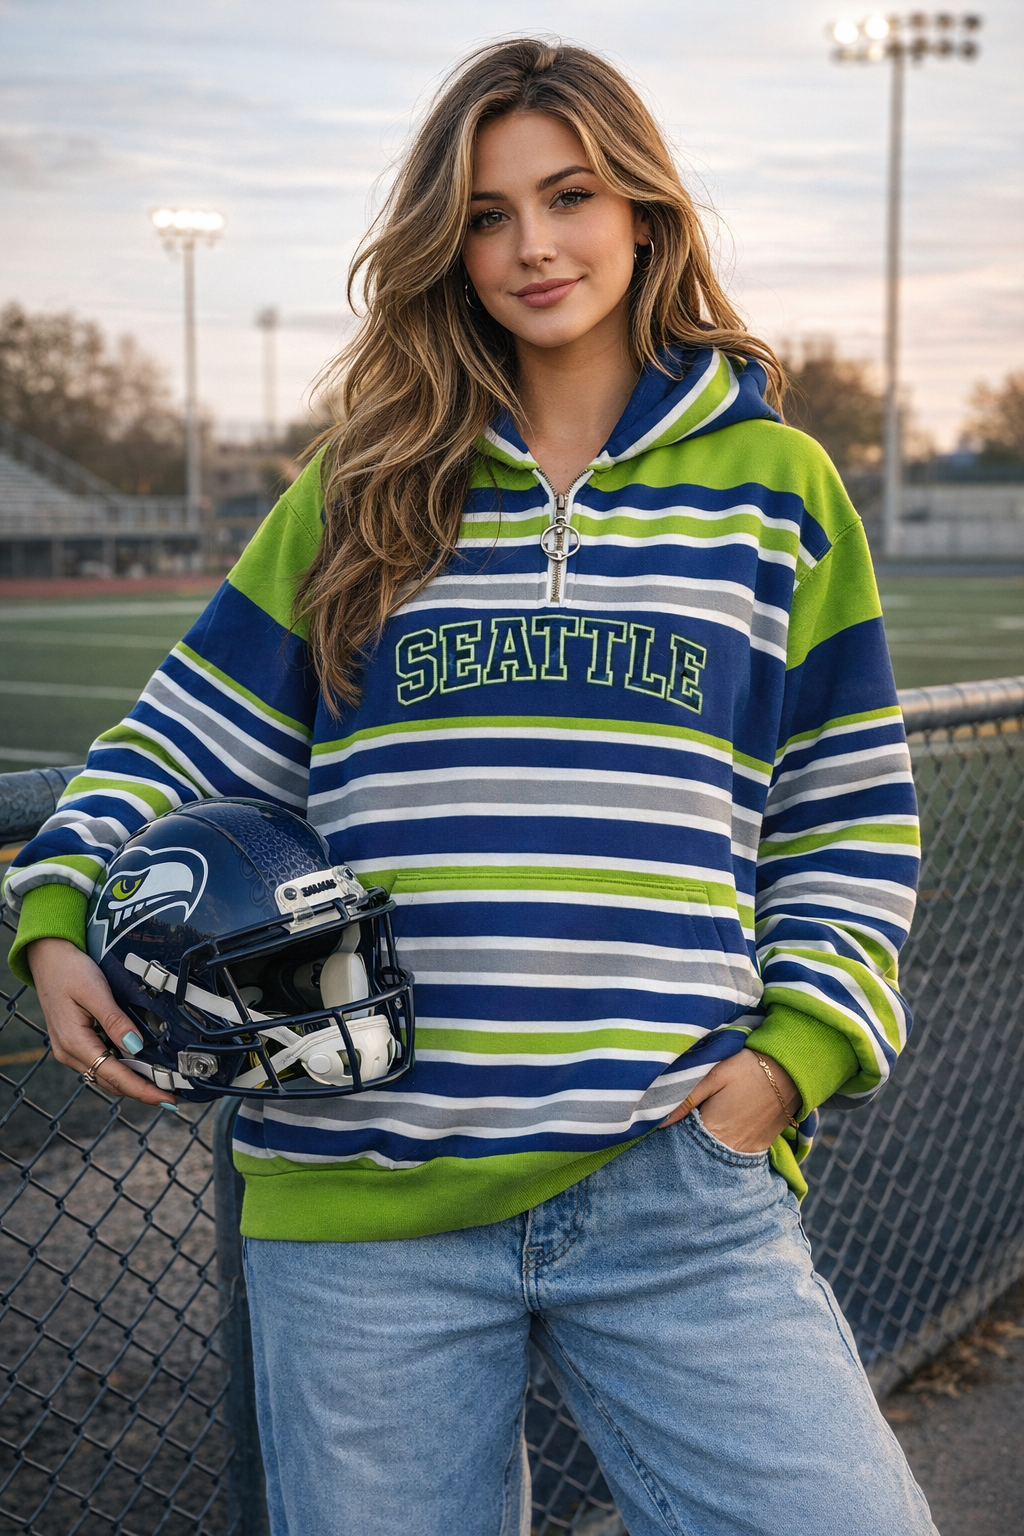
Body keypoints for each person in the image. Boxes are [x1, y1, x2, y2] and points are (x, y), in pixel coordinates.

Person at [4, 38, 935, 1536]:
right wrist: (56, 908)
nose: (532, 247)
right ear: (448, 244)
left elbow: (847, 822)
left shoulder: (777, 488)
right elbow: (180, 740)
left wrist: (783, 1071)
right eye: (488, 216)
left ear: (644, 211)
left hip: (673, 1181)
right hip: (365, 1206)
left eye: (570, 197)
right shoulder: (361, 487)